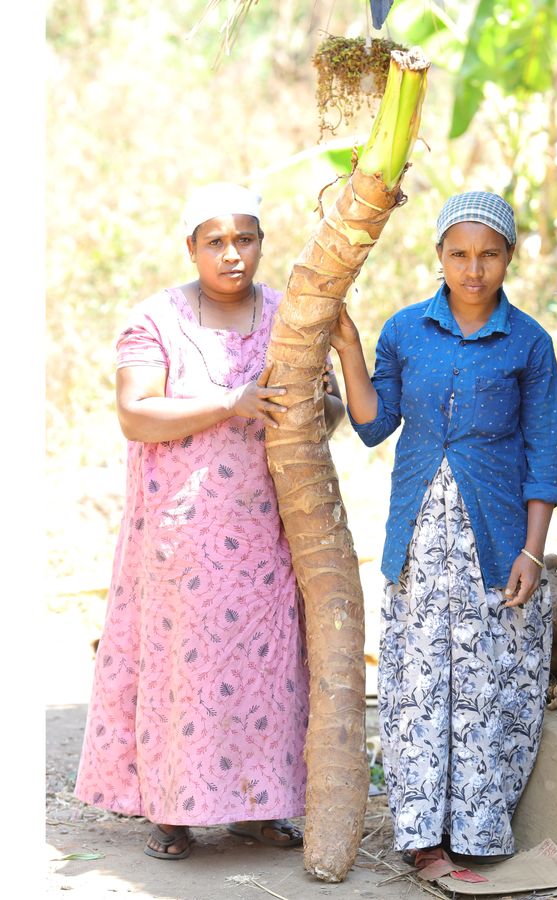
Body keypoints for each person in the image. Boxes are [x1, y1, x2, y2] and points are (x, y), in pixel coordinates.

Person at [74, 182, 345, 860]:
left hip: (267, 532)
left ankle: (259, 807)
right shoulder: (156, 320)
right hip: (181, 532)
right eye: (216, 242)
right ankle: (173, 811)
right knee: (183, 670)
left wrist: (316, 407)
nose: (233, 255)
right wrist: (230, 402)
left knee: (268, 666)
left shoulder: (290, 316)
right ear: (191, 247)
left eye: (245, 239)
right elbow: (136, 413)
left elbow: (329, 408)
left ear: (261, 243)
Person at [330, 191, 557, 865]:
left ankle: (478, 835)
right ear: (438, 256)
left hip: (494, 542)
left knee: (486, 683)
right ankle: (422, 838)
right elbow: (374, 423)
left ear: (509, 258)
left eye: (488, 254)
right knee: (420, 684)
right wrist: (348, 345)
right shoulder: (406, 331)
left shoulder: (529, 344)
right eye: (459, 254)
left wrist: (531, 549)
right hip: (420, 542)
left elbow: (544, 454)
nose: (473, 269)